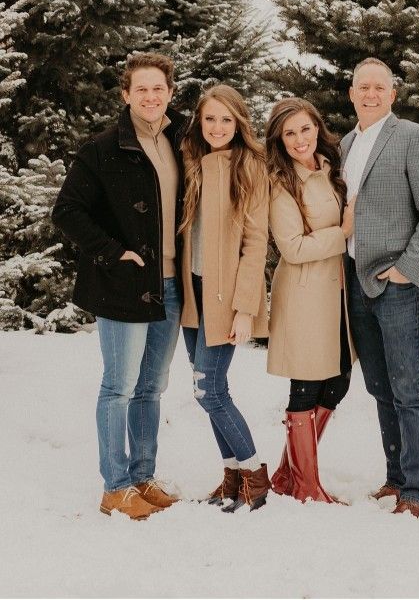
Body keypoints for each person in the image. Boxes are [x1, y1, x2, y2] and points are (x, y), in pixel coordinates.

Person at [53, 52, 185, 520]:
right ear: (126, 94)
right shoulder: (102, 149)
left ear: (170, 92)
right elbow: (66, 211)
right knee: (119, 386)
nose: (151, 97)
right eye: (141, 89)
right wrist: (113, 253)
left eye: (159, 89)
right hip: (124, 283)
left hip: (172, 283)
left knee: (152, 387)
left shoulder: (182, 139)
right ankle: (115, 485)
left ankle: (143, 477)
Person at [341, 57, 419, 518]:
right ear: (352, 93)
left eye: (378, 87)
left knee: (408, 389)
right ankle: (394, 476)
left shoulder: (412, 137)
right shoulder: (346, 143)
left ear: (392, 94)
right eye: (362, 86)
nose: (370, 94)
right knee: (380, 386)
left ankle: (416, 490)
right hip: (358, 279)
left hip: (400, 282)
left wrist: (408, 267)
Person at [178, 84, 270, 512]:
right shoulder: (191, 160)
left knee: (209, 389)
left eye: (226, 119)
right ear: (200, 120)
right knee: (209, 389)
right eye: (210, 118)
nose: (217, 127)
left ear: (239, 123)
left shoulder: (249, 166)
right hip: (191, 293)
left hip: (225, 295)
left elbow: (255, 243)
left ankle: (254, 474)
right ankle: (231, 477)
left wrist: (244, 308)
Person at [265, 98, 355, 503]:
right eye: (289, 133)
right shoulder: (282, 183)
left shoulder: (331, 169)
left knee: (338, 380)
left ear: (317, 127)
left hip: (336, 291)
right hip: (304, 292)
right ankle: (305, 486)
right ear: (279, 141)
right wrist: (344, 230)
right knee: (306, 383)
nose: (300, 140)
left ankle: (288, 474)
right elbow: (293, 246)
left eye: (305, 129)